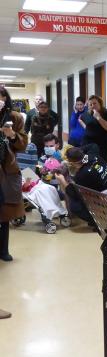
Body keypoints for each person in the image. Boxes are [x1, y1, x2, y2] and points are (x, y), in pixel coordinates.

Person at [55, 147, 107, 224]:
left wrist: (62, 180)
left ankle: (100, 221)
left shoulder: (82, 175)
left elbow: (74, 194)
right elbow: (92, 145)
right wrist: (76, 151)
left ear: (73, 163)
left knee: (75, 205)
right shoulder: (94, 155)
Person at [0, 86, 28, 261]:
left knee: (5, 212)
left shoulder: (15, 117)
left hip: (7, 169)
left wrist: (12, 135)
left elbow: (23, 144)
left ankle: (3, 250)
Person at [79, 95, 107, 162]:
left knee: (101, 166)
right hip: (87, 145)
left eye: (95, 103)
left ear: (100, 103)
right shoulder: (85, 115)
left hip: (102, 147)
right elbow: (81, 120)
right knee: (85, 163)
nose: (92, 106)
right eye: (90, 104)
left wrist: (99, 118)